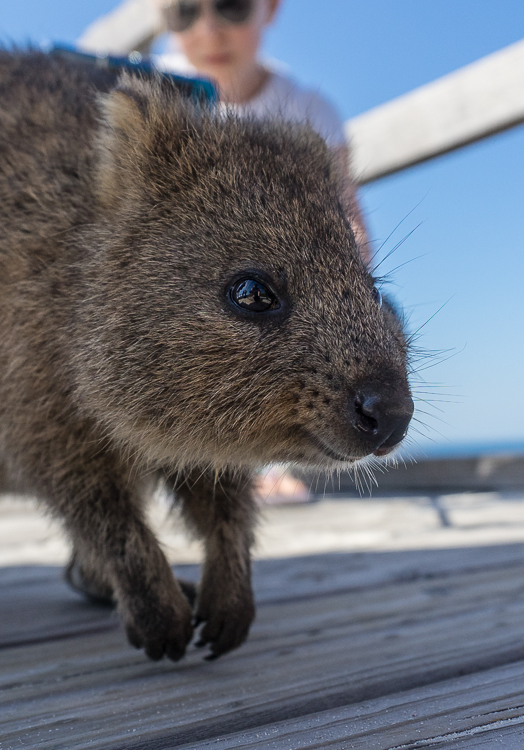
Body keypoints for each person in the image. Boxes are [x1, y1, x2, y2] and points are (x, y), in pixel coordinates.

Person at [154, 0, 371, 503]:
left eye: (230, 8)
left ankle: (268, 460)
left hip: (297, 287)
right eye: (183, 15)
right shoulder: (155, 93)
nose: (208, 31)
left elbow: (350, 218)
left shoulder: (308, 109)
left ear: (269, 9)